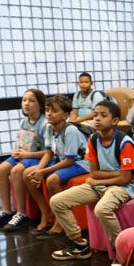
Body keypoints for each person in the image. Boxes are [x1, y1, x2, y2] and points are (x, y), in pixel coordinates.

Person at [50, 100, 134, 266]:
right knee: (57, 201)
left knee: (102, 210)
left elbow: (125, 179)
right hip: (101, 185)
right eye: (95, 114)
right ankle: (79, 244)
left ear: (114, 121)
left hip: (123, 187)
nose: (97, 119)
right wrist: (111, 175)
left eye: (103, 115)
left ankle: (122, 252)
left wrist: (101, 180)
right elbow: (94, 173)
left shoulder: (125, 142)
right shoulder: (93, 138)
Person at [23, 95, 91, 236]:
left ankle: (60, 221)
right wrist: (39, 170)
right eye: (47, 110)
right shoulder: (49, 128)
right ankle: (45, 212)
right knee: (28, 174)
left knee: (52, 180)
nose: (48, 113)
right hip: (62, 160)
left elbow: (69, 161)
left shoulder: (70, 130)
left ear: (65, 115)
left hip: (81, 162)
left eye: (54, 111)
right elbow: (48, 153)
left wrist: (44, 172)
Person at [0, 88, 49, 231]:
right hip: (25, 154)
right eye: (24, 100)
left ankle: (22, 213)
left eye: (32, 101)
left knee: (16, 170)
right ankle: (6, 211)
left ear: (40, 105)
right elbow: (24, 143)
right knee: (1, 169)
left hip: (37, 157)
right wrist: (18, 151)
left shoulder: (45, 124)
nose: (26, 104)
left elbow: (49, 152)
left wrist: (26, 155)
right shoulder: (24, 122)